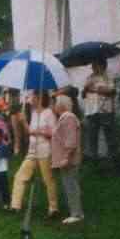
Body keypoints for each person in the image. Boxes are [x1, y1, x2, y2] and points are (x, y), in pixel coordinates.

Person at [9, 92, 59, 216]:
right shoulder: (34, 113)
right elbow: (29, 132)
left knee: (48, 180)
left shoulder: (49, 113)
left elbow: (53, 133)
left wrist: (40, 132)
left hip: (44, 150)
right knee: (20, 176)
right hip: (32, 151)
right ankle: (15, 206)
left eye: (33, 97)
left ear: (39, 98)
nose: (30, 99)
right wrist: (24, 122)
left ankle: (53, 208)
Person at [51, 95, 84, 224]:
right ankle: (75, 212)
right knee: (69, 185)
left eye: (55, 103)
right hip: (65, 159)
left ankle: (76, 214)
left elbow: (71, 140)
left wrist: (66, 158)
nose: (53, 106)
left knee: (71, 185)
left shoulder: (68, 118)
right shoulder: (64, 118)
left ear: (61, 105)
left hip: (68, 160)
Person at [81, 60, 117, 163]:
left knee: (110, 136)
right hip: (91, 110)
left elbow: (112, 91)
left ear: (102, 65)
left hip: (105, 110)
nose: (93, 68)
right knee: (92, 136)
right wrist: (85, 89)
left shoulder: (108, 76)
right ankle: (94, 160)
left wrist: (95, 89)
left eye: (95, 65)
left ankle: (113, 161)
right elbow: (83, 95)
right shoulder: (90, 77)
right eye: (92, 66)